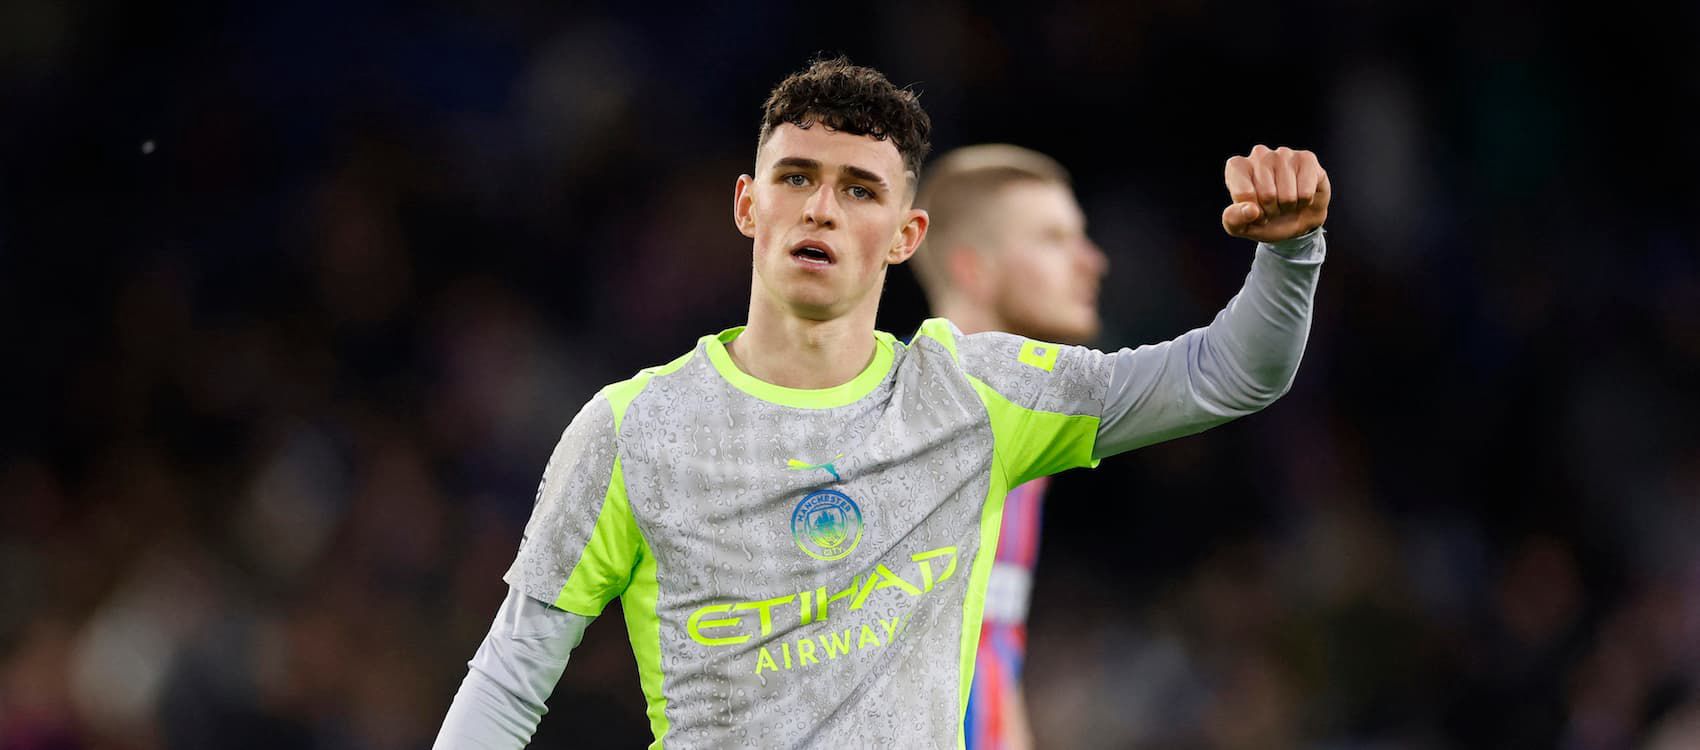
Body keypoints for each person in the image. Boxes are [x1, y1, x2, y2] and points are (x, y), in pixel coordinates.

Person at [434, 56, 1331, 749]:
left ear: (907, 235)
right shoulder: (634, 429)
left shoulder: (974, 398)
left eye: (858, 189)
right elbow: (509, 680)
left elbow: (1228, 375)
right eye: (796, 177)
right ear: (748, 205)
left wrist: (1291, 253)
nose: (820, 209)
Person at [908, 144, 1108, 749]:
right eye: (1053, 240)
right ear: (973, 268)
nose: (1092, 261)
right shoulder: (914, 436)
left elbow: (990, 645)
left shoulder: (1018, 426)